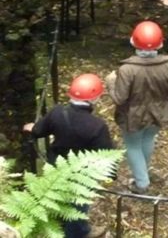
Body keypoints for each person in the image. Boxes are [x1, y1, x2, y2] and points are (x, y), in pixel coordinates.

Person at [105, 20, 168, 193]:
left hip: (133, 117)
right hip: (159, 114)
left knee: (133, 146)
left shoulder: (127, 69)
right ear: (159, 44)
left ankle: (141, 183)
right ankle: (143, 173)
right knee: (147, 139)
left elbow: (120, 98)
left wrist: (110, 83)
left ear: (134, 42)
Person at [23, 73, 113, 238]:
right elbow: (107, 155)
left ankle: (58, 226)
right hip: (82, 172)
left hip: (55, 165)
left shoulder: (57, 112)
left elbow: (39, 130)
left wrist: (32, 128)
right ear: (94, 99)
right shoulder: (97, 126)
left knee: (57, 197)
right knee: (78, 206)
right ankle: (77, 233)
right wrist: (110, 176)